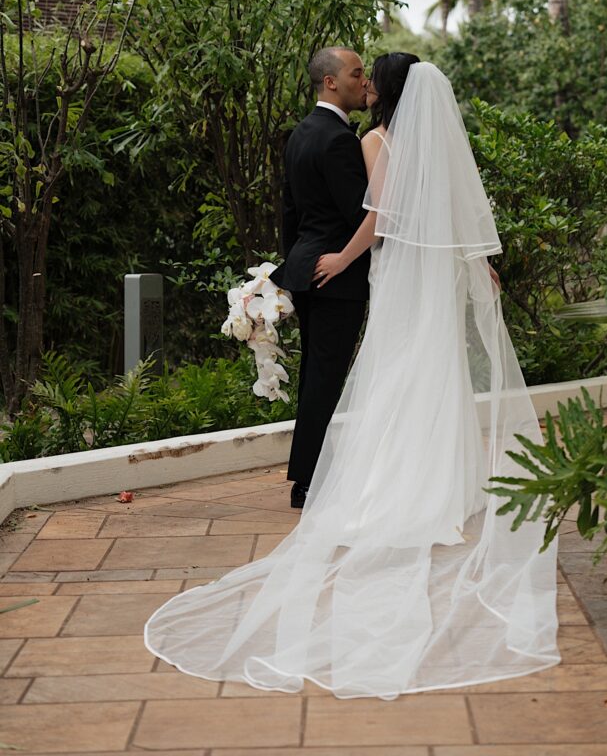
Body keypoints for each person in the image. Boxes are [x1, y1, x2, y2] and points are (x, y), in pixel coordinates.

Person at [144, 56, 559, 699]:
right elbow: (433, 209)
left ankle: (369, 484)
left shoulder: (360, 138)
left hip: (379, 273)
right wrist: (475, 264)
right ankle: (437, 484)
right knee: (426, 376)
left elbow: (375, 214)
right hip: (405, 275)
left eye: (371, 76)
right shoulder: (382, 139)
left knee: (391, 376)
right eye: (356, 73)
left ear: (382, 91)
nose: (364, 82)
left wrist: (306, 263)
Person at [269, 46, 371, 508]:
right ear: (331, 82)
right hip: (336, 275)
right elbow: (359, 214)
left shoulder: (299, 134)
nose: (363, 80)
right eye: (356, 73)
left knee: (316, 374)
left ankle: (307, 476)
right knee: (326, 378)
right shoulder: (339, 140)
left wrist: (294, 267)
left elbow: (289, 213)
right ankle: (309, 483)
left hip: (308, 270)